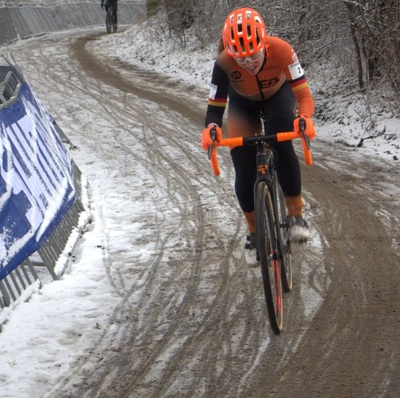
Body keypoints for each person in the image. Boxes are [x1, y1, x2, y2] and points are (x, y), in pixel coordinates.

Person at [201, 7, 316, 265]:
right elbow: (214, 109)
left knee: (281, 137)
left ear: (264, 43)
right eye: (241, 59)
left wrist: (304, 119)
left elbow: (304, 96)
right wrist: (212, 128)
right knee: (243, 167)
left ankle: (295, 216)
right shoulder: (222, 63)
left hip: (278, 96)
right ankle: (254, 232)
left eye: (253, 55)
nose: (249, 63)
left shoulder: (282, 50)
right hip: (243, 105)